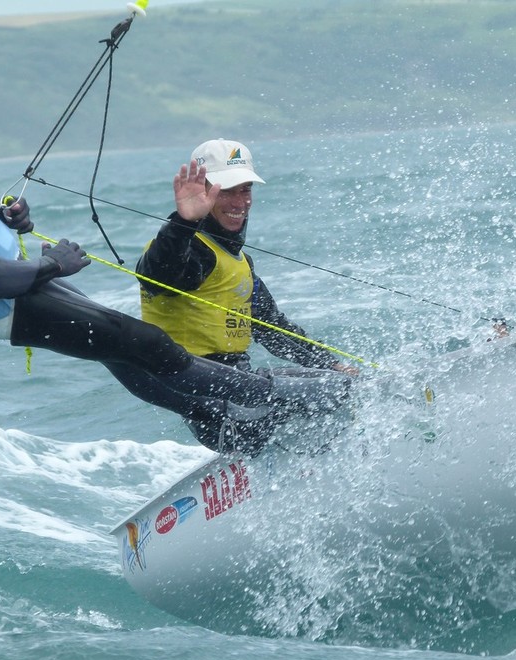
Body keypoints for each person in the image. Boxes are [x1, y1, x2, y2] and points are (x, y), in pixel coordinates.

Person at [0, 54, 348, 454]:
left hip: (19, 281)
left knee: (124, 353)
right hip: (5, 304)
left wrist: (0, 212)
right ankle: (305, 399)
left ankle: (226, 419)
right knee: (141, 343)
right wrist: (54, 262)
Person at [133, 139, 356, 446]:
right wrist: (183, 223)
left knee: (347, 384)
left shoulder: (236, 261)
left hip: (243, 387)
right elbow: (159, 275)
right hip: (215, 404)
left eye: (245, 189)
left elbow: (273, 328)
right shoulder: (189, 250)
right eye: (226, 191)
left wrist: (329, 364)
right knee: (349, 393)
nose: (239, 202)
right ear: (202, 190)